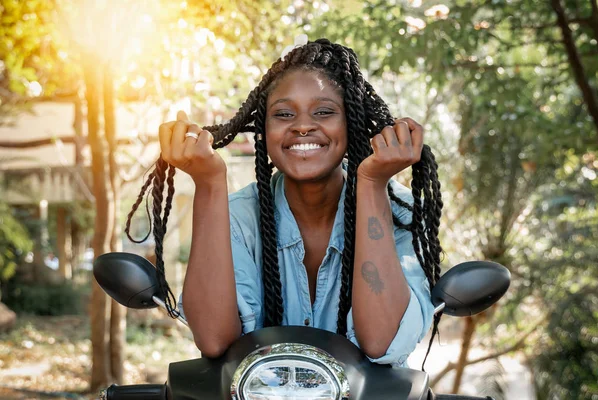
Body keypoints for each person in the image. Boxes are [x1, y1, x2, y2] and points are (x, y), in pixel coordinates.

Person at [126, 37, 443, 368]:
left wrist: (373, 184)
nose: (303, 126)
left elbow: (381, 342)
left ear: (353, 123)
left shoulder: (400, 212)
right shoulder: (238, 216)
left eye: (323, 111)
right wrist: (208, 184)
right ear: (263, 129)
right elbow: (215, 339)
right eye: (283, 114)